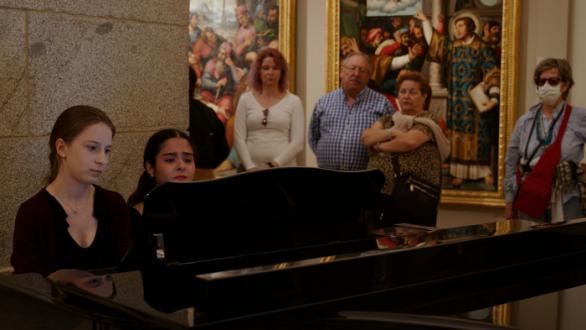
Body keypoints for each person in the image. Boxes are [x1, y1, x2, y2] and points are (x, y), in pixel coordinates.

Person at [11, 105, 133, 276]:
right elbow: (28, 288)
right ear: (62, 148)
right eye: (92, 148)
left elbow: (127, 275)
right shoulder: (33, 213)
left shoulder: (114, 204)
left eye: (107, 150)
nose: (103, 160)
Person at [416, 11, 500, 188]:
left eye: (461, 25)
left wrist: (493, 96)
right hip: (457, 103)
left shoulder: (482, 48)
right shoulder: (453, 47)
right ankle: (460, 173)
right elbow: (436, 43)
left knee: (479, 138)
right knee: (458, 138)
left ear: (471, 26)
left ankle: (483, 172)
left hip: (477, 102)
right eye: (455, 26)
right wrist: (425, 21)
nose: (457, 29)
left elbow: (492, 73)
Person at [362, 71, 449, 227]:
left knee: (413, 245)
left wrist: (379, 146)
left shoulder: (429, 120)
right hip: (381, 194)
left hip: (414, 195)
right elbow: (366, 137)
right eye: (403, 91)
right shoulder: (388, 119)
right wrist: (392, 132)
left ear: (424, 96)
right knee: (379, 244)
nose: (406, 96)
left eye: (412, 92)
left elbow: (409, 142)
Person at [504, 58, 586, 222]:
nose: (546, 86)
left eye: (553, 81)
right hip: (530, 197)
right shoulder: (524, 122)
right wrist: (509, 202)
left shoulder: (579, 118)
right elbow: (511, 164)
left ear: (565, 85)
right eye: (542, 82)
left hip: (567, 199)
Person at [309, 52, 394, 171]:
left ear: (369, 76)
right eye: (352, 68)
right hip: (327, 177)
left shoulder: (382, 104)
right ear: (341, 72)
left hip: (366, 179)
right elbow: (313, 137)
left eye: (362, 70)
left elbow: (393, 137)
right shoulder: (324, 102)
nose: (356, 74)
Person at [233, 47, 304, 170]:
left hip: (283, 169)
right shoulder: (245, 99)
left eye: (275, 68)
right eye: (265, 68)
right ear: (258, 72)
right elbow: (238, 137)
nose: (270, 72)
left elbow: (298, 142)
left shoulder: (294, 101)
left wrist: (275, 164)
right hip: (250, 171)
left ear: (282, 72)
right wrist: (249, 166)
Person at [127, 129, 196, 214]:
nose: (181, 166)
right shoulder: (138, 214)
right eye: (170, 160)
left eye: (187, 160)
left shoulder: (209, 208)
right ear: (150, 168)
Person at [188, 66, 230, 179]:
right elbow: (223, 151)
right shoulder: (207, 112)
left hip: (179, 180)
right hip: (204, 177)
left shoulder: (166, 113)